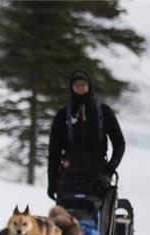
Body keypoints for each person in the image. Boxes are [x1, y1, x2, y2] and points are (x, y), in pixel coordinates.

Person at [47, 70, 125, 200]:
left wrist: (111, 167)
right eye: (76, 85)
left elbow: (119, 143)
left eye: (83, 84)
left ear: (89, 86)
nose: (80, 88)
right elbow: (54, 152)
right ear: (72, 88)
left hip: (98, 177)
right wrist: (52, 180)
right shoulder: (62, 116)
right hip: (69, 177)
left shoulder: (104, 112)